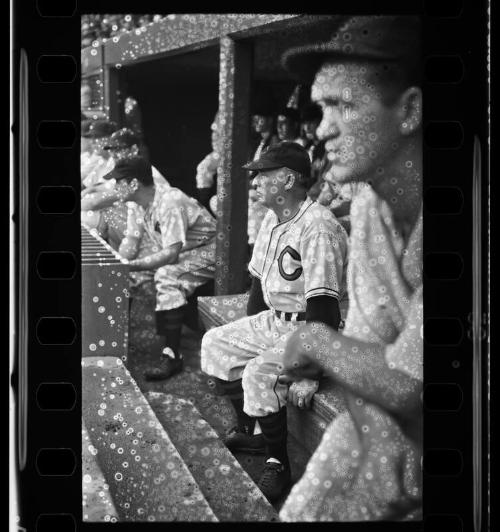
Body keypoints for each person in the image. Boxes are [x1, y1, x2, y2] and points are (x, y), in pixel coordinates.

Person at [278, 15, 423, 521]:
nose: (322, 130)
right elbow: (368, 360)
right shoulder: (367, 204)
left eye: (343, 105)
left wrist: (315, 341)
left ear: (409, 111)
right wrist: (381, 433)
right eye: (322, 107)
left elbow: (410, 384)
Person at [201, 142, 348, 502]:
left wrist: (312, 373)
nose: (254, 182)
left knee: (258, 373)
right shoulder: (272, 217)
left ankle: (278, 463)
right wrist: (252, 331)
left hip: (313, 328)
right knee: (216, 343)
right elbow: (256, 281)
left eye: (263, 176)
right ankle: (252, 430)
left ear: (288, 180)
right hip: (277, 319)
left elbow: (325, 306)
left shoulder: (318, 228)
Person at [103, 156, 217, 380]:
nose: (116, 186)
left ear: (134, 184)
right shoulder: (137, 204)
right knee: (133, 277)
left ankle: (172, 356)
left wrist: (132, 266)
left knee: (167, 276)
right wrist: (119, 264)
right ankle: (117, 342)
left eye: (119, 181)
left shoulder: (170, 200)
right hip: (185, 252)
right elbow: (132, 241)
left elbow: (170, 254)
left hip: (213, 250)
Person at [247, 105, 280, 248]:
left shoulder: (274, 141)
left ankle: (252, 253)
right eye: (254, 119)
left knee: (251, 207)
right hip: (254, 189)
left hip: (267, 191)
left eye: (259, 119)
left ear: (270, 120)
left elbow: (269, 172)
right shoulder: (260, 142)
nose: (255, 122)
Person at [195, 111, 221, 215]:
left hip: (236, 153)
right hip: (223, 153)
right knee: (203, 167)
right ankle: (202, 209)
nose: (214, 136)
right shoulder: (221, 112)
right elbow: (215, 130)